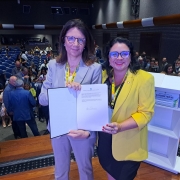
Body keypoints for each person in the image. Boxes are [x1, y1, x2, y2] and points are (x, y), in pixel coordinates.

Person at [39, 19, 102, 180]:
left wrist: (81, 93)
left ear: (85, 43)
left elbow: (96, 104)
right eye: (71, 38)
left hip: (82, 129)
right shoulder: (54, 65)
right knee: (60, 170)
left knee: (85, 170)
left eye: (80, 39)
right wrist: (61, 93)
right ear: (63, 40)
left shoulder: (94, 68)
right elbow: (42, 99)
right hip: (59, 127)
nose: (75, 43)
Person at [97, 37, 155, 180]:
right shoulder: (103, 75)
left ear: (131, 56)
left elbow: (145, 113)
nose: (119, 58)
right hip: (105, 139)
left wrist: (120, 127)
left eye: (124, 53)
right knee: (110, 174)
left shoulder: (144, 78)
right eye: (114, 54)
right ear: (108, 57)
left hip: (129, 142)